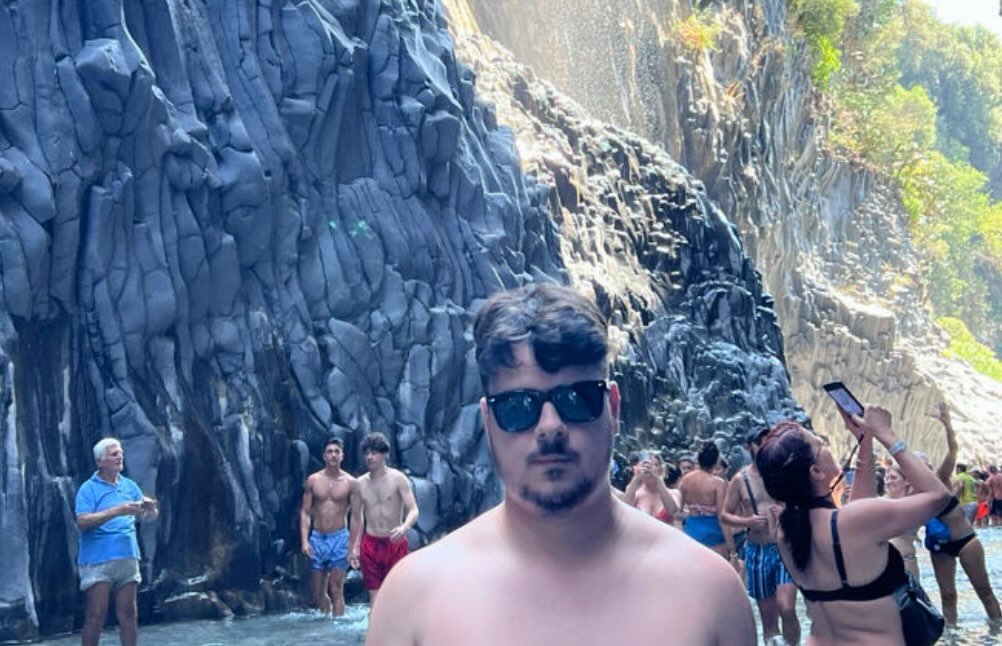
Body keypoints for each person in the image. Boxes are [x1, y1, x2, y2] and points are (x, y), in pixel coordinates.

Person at [365, 283, 755, 645]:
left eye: (577, 399)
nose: (550, 426)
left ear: (613, 408)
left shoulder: (709, 592)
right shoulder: (414, 598)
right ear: (488, 420)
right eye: (519, 406)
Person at [756, 407, 952, 644]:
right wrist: (886, 434)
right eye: (821, 445)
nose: (827, 448)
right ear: (816, 471)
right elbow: (939, 496)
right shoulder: (851, 523)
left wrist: (865, 441)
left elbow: (857, 513)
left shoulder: (785, 531)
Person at [721, 425, 801, 646]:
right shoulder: (740, 479)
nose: (765, 446)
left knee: (787, 607)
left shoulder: (783, 472)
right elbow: (725, 514)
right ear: (749, 447)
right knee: (768, 618)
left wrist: (786, 511)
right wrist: (747, 521)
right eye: (760, 442)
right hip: (758, 549)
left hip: (784, 547)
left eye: (769, 441)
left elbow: (802, 504)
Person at [75, 438, 159, 646]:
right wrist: (117, 511)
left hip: (128, 557)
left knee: (129, 615)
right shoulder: (88, 489)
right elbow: (82, 521)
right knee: (96, 616)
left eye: (120, 453)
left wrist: (151, 509)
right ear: (100, 461)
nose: (120, 457)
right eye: (114, 454)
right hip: (98, 560)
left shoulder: (129, 486)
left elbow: (149, 516)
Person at [926, 403, 1002, 626]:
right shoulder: (913, 492)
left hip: (965, 540)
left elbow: (953, 451)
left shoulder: (938, 479)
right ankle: (951, 636)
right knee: (947, 596)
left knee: (984, 591)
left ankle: (998, 629)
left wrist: (948, 424)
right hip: (940, 546)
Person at [349, 432, 419, 607]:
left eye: (374, 453)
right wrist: (354, 547)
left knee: (398, 593)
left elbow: (413, 510)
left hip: (394, 542)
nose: (369, 457)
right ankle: (374, 625)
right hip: (370, 544)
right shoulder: (359, 484)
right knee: (375, 596)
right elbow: (356, 518)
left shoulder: (398, 479)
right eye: (367, 453)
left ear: (385, 454)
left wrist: (404, 527)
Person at [300, 437, 358, 616]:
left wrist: (353, 546)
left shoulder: (351, 483)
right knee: (318, 593)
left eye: (337, 452)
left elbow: (357, 517)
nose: (333, 455)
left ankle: (338, 626)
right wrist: (304, 541)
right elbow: (305, 512)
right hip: (317, 538)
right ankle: (326, 624)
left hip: (340, 538)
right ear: (324, 456)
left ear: (342, 456)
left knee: (336, 588)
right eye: (330, 452)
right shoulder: (313, 480)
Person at [678, 441, 731, 559]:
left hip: (691, 532)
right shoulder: (718, 483)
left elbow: (679, 511)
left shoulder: (685, 480)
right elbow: (722, 518)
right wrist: (732, 550)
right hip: (714, 536)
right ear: (716, 460)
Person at [623, 450, 679, 524]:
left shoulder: (674, 493)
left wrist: (658, 479)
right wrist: (637, 477)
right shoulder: (634, 492)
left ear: (661, 469)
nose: (649, 468)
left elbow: (672, 511)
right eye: (646, 465)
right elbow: (624, 510)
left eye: (655, 465)